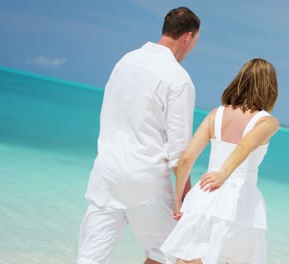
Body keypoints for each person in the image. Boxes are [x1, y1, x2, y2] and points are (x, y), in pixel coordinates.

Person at [77, 6, 200, 264]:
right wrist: (185, 197)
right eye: (195, 42)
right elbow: (179, 151)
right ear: (188, 37)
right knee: (172, 250)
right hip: (146, 182)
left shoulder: (126, 60)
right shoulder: (178, 79)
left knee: (91, 258)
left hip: (106, 175)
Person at [160, 58, 280, 264]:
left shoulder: (217, 114)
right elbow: (245, 146)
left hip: (205, 194)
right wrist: (223, 175)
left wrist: (178, 199)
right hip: (240, 202)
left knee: (188, 258)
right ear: (270, 88)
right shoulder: (267, 122)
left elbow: (187, 158)